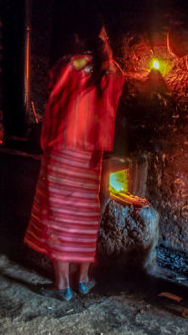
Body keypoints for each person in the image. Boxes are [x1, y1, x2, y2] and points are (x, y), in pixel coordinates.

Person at [23, 17, 125, 301]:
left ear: (78, 35)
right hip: (90, 154)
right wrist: (107, 51)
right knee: (83, 216)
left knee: (59, 216)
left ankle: (61, 284)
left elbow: (54, 108)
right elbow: (112, 94)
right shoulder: (109, 70)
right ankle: (82, 279)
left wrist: (44, 143)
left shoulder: (68, 66)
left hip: (63, 150)